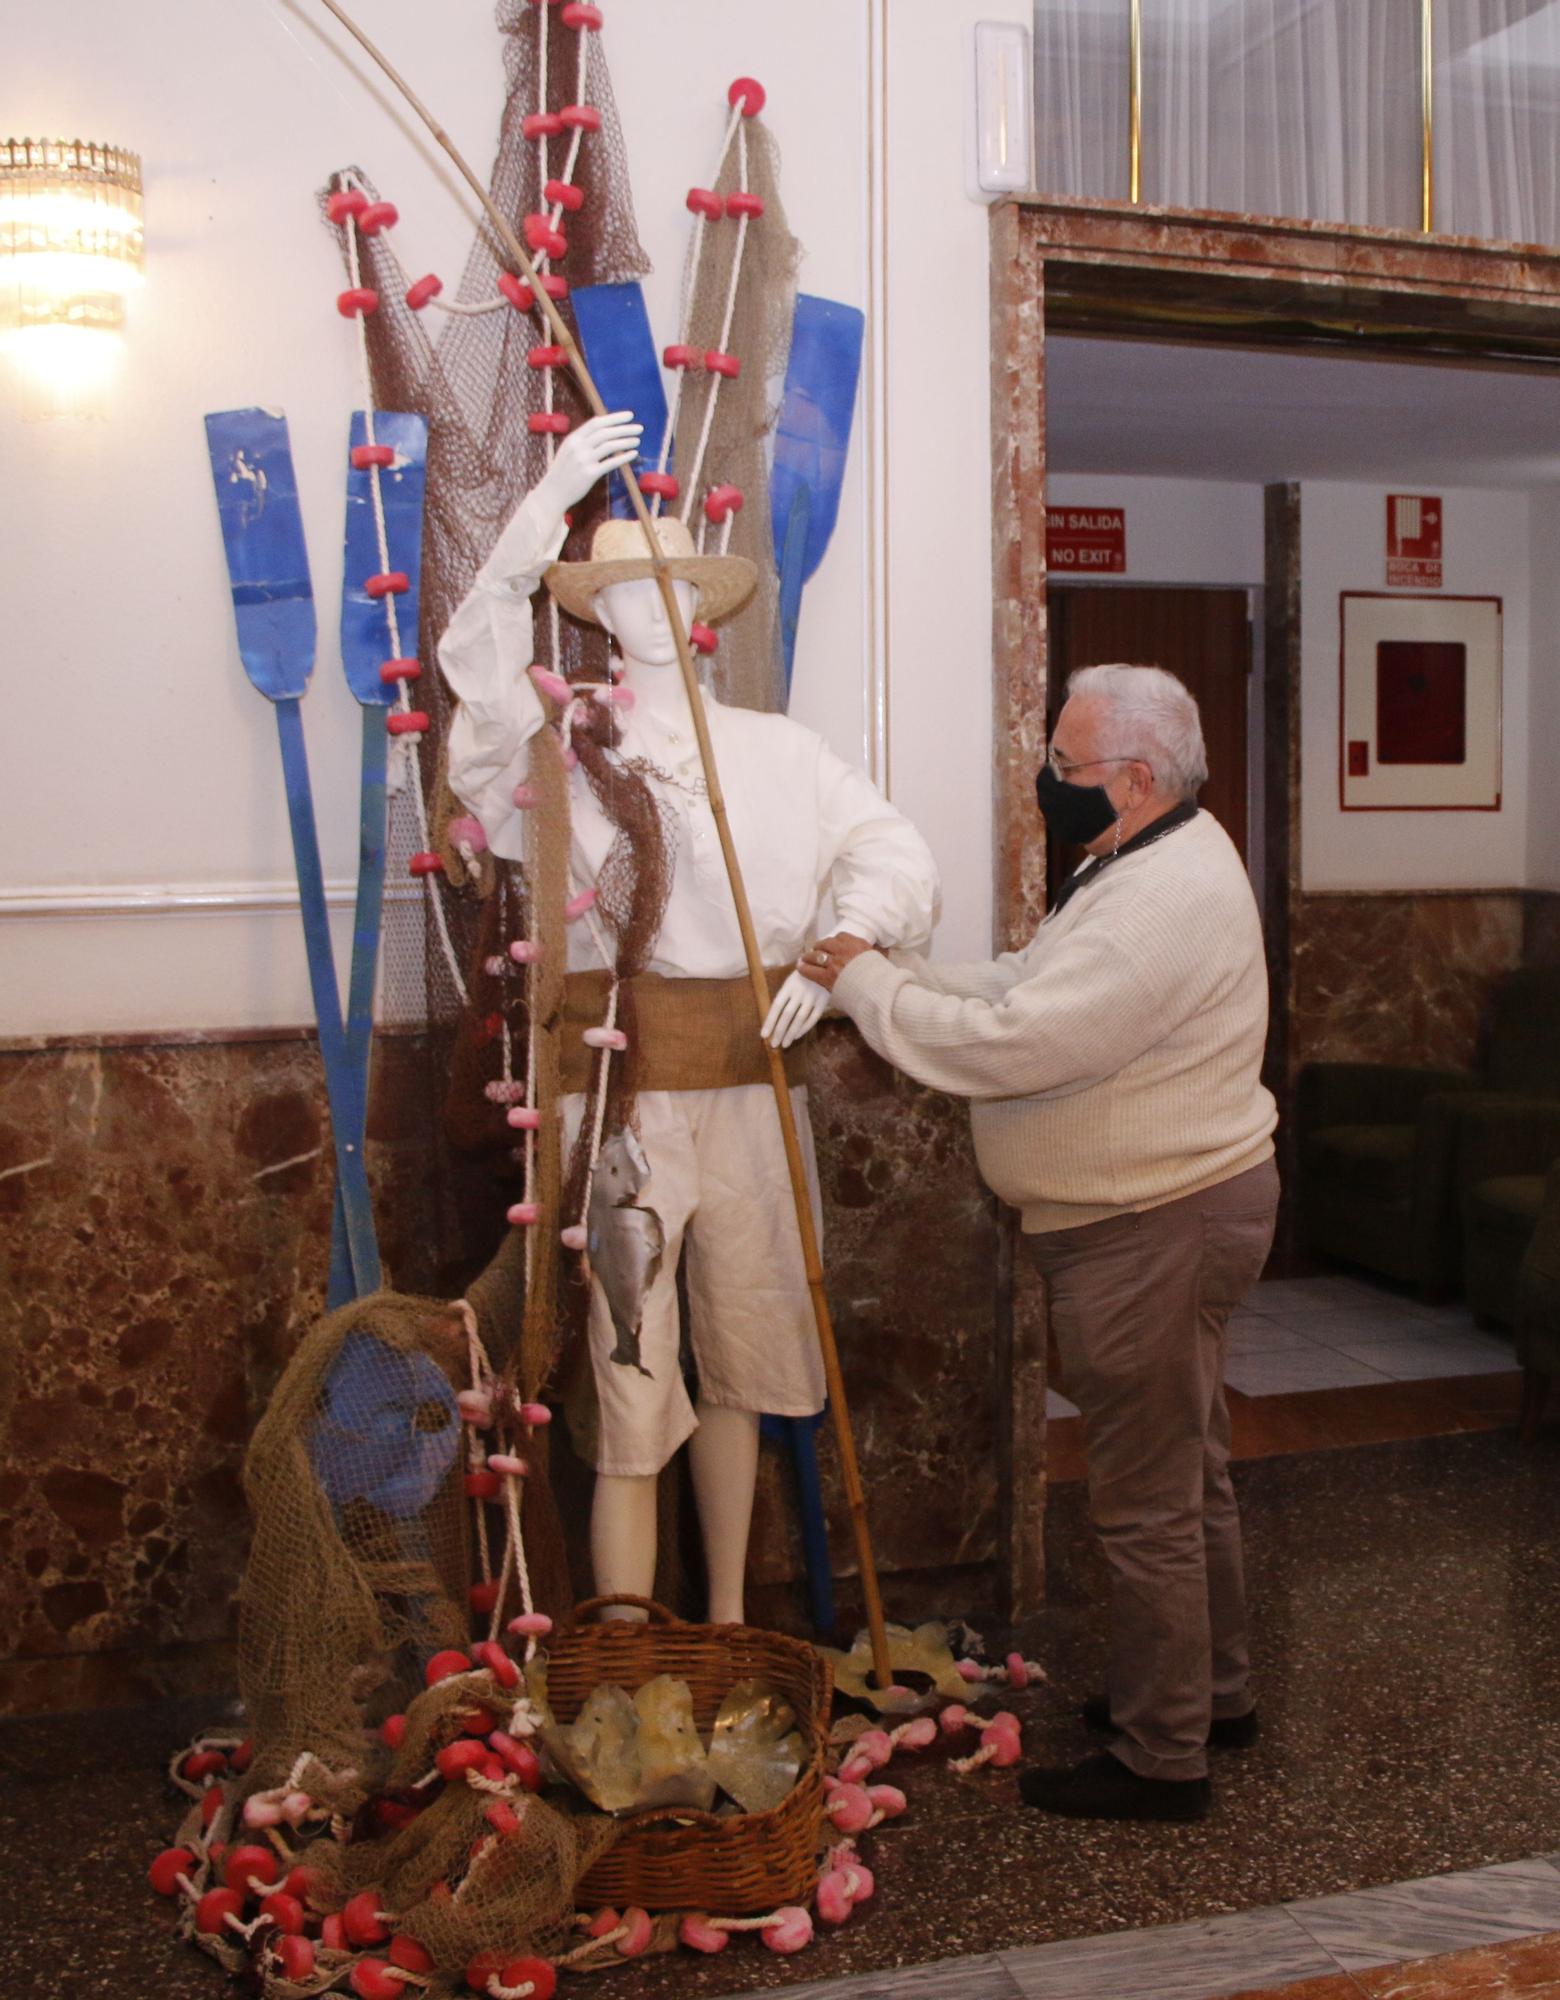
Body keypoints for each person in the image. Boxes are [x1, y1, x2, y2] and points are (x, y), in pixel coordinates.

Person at [438, 412, 938, 1626]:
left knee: (751, 1359)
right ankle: (621, 1648)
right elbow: (475, 666)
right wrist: (544, 505)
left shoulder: (778, 751)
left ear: (702, 609)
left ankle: (724, 1625)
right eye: (622, 585)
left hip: (756, 1086)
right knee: (629, 1365)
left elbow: (894, 851)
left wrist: (834, 949)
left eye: (671, 584)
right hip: (617, 1095)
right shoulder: (558, 753)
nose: (650, 605)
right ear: (596, 611)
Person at [797, 663, 1277, 1822]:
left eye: (1062, 767)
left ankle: (1165, 1756)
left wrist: (871, 994)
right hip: (1157, 1212)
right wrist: (895, 974)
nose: (1045, 783)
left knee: (1147, 1496)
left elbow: (1019, 1039)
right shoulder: (1139, 857)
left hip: (1150, 1225)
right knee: (1188, 1466)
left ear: (1136, 776)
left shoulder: (1168, 893)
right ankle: (1212, 1689)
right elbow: (1027, 976)